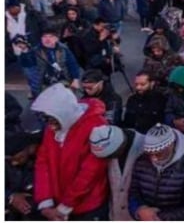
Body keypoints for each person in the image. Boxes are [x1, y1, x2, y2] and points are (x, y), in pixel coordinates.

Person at [31, 83, 109, 220]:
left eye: (53, 120)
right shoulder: (54, 127)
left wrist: (65, 206)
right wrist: (46, 201)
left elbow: (91, 172)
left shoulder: (97, 126)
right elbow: (42, 162)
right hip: (58, 204)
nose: (50, 126)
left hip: (87, 206)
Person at [129, 124, 184, 220]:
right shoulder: (142, 161)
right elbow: (133, 193)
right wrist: (139, 210)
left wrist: (157, 217)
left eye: (159, 153)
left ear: (171, 145)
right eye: (150, 153)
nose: (153, 158)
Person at [88, 125, 145, 221]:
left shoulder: (144, 146)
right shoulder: (108, 152)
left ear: (121, 143)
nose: (111, 158)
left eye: (113, 154)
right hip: (115, 215)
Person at [17, 27, 82, 98]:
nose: (47, 39)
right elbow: (27, 66)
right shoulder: (35, 51)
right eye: (44, 37)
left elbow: (72, 64)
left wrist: (76, 79)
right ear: (41, 39)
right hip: (44, 84)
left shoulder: (64, 49)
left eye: (51, 37)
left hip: (63, 80)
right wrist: (24, 50)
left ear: (56, 38)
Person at [5, 131, 42, 221]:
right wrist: (11, 196)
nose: (14, 163)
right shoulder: (6, 163)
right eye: (10, 160)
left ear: (30, 148)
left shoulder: (42, 159)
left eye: (19, 158)